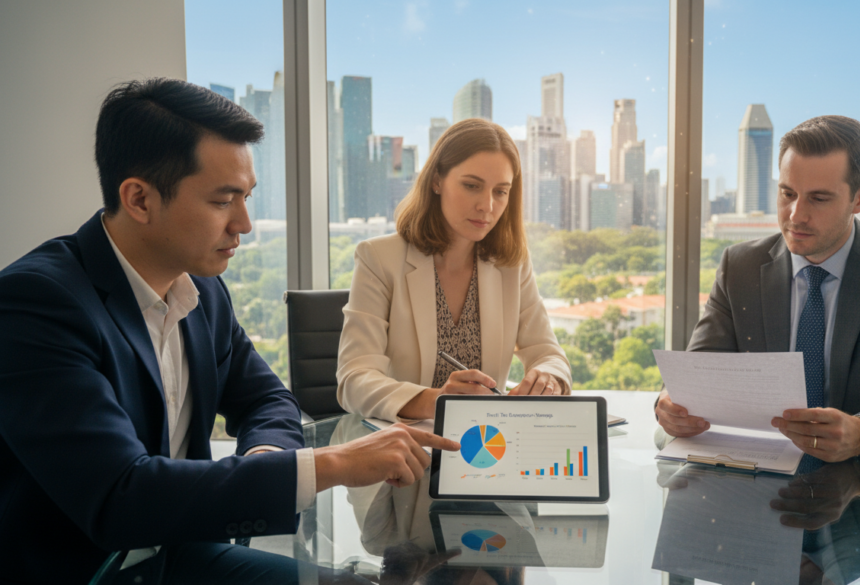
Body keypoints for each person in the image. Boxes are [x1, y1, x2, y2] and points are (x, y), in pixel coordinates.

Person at [0, 78, 459, 584]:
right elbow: (119, 496)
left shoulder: (200, 290)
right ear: (139, 199)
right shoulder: (35, 303)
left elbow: (267, 399)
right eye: (223, 201)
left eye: (247, 197)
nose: (243, 222)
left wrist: (263, 459)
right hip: (87, 573)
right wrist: (331, 464)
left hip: (180, 554)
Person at [655, 115, 860, 462]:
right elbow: (701, 371)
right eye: (787, 193)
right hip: (757, 480)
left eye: (819, 199)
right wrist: (673, 404)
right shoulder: (740, 266)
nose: (796, 215)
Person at [336, 118, 572, 422]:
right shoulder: (378, 258)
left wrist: (547, 379)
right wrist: (436, 401)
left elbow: (548, 353)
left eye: (500, 191)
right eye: (472, 186)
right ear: (436, 180)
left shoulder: (512, 264)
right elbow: (354, 379)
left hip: (486, 446)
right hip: (406, 449)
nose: (487, 206)